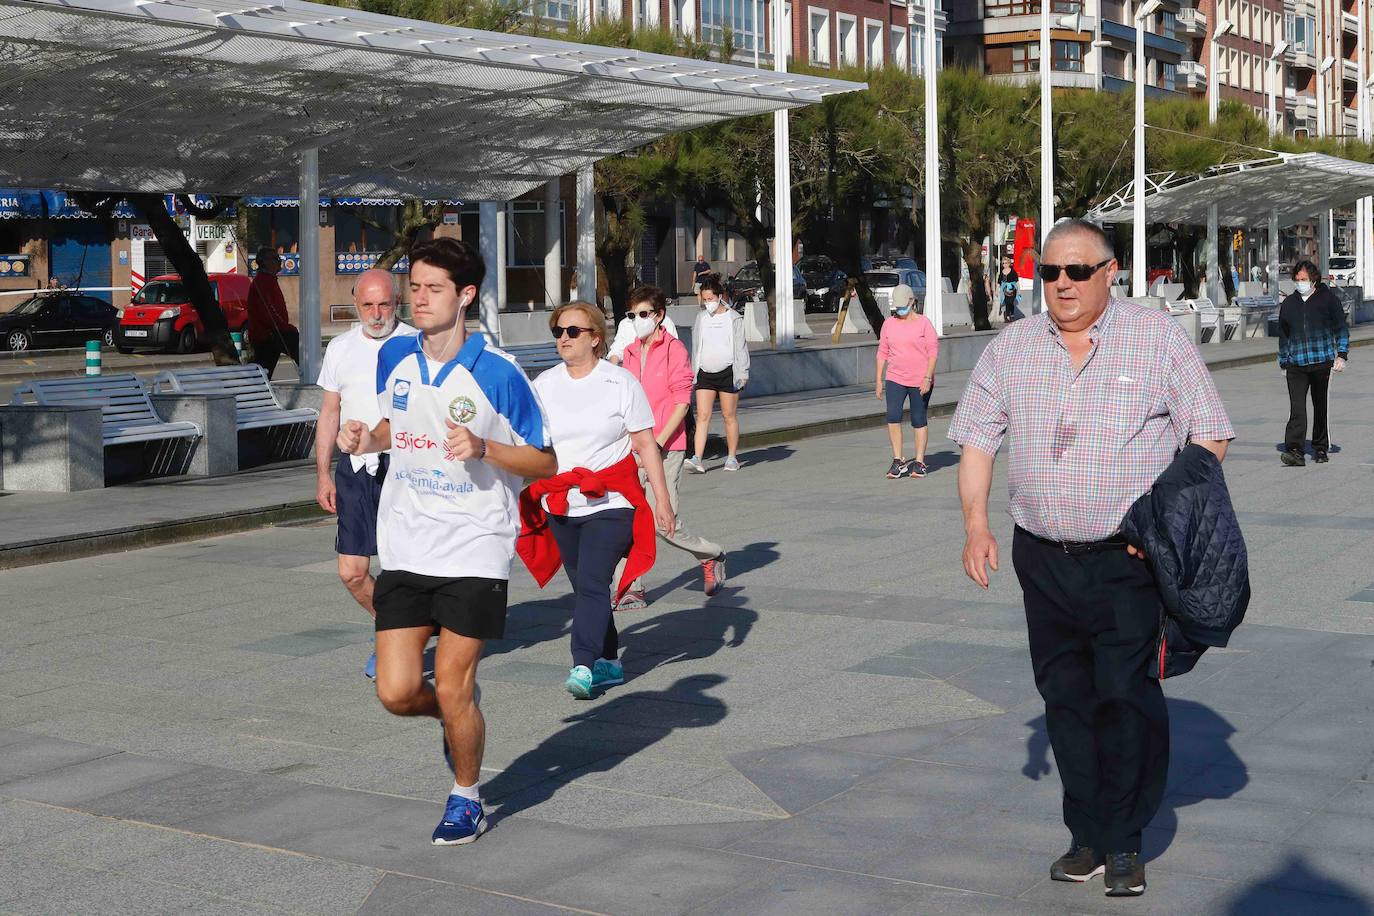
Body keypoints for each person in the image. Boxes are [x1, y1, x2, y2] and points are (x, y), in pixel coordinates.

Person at [949, 218, 1234, 898]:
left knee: (1125, 696)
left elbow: (1211, 434)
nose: (1063, 285)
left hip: (1126, 557)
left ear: (1111, 271)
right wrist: (974, 526)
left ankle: (1126, 838)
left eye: (1078, 271)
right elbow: (977, 440)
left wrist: (1161, 520)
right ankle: (1085, 835)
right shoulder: (1013, 347)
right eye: (1050, 273)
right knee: (1066, 699)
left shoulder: (1156, 337)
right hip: (1041, 558)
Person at [336, 238, 555, 847]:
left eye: (433, 289)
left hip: (475, 544)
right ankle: (462, 717)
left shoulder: (499, 373)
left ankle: (467, 798)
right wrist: (363, 438)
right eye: (416, 288)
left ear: (465, 295)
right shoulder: (395, 359)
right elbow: (394, 428)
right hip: (405, 542)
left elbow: (544, 460)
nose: (420, 299)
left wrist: (485, 448)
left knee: (453, 682)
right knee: (398, 692)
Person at [521, 301, 676, 698]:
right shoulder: (544, 384)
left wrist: (662, 501)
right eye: (558, 332)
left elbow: (644, 443)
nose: (563, 339)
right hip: (562, 504)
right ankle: (610, 660)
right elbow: (530, 445)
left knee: (592, 580)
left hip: (611, 502)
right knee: (586, 589)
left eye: (573, 332)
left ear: (595, 338)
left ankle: (583, 664)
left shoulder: (620, 382)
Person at [314, 269, 418, 679]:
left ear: (398, 302)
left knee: (400, 568)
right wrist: (323, 474)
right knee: (352, 572)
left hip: (405, 467)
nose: (377, 314)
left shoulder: (415, 345)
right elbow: (329, 412)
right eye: (367, 305)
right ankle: (397, 631)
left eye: (385, 304)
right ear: (355, 305)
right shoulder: (340, 348)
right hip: (355, 469)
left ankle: (392, 643)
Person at [620, 285, 728, 609]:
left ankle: (710, 554)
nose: (637, 320)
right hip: (634, 448)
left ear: (659, 315)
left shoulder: (674, 350)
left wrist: (657, 441)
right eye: (632, 315)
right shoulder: (629, 353)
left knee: (663, 523)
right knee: (628, 519)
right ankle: (631, 586)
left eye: (643, 314)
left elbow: (682, 403)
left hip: (666, 446)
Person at [1278, 259, 1348, 466]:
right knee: (1297, 409)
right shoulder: (1289, 303)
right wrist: (1284, 360)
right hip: (1296, 364)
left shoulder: (1328, 300)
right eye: (1297, 280)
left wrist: (1341, 354)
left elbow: (1341, 328)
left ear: (1314, 279)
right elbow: (1283, 334)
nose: (1300, 283)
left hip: (1321, 361)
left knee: (1320, 406)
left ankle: (1320, 447)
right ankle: (1294, 449)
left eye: (1304, 279)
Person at [875, 284, 938, 480]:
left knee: (918, 419)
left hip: (920, 379)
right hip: (895, 377)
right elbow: (882, 352)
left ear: (912, 302)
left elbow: (933, 353)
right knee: (893, 416)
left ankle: (919, 462)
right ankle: (898, 460)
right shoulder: (889, 324)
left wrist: (927, 377)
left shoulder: (924, 324)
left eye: (904, 305)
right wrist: (878, 380)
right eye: (898, 307)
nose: (900, 310)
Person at [687, 275, 749, 473]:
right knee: (703, 415)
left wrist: (743, 373)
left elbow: (741, 347)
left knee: (728, 415)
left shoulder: (733, 318)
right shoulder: (701, 318)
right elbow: (696, 346)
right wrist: (693, 372)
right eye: (704, 300)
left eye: (710, 299)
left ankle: (731, 458)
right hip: (705, 373)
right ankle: (697, 457)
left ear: (719, 296)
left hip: (728, 373)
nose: (707, 304)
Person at [247, 247, 300, 379]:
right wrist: (284, 327)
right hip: (268, 334)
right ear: (265, 262)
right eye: (276, 259)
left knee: (263, 373)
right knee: (300, 351)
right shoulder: (263, 282)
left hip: (269, 333)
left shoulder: (268, 280)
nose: (279, 261)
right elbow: (268, 310)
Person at [607, 307, 677, 365]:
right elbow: (616, 350)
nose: (638, 319)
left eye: (643, 314)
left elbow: (674, 353)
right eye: (632, 315)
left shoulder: (666, 322)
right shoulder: (625, 323)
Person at [993, 255, 1020, 323]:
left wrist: (1019, 291)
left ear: (1009, 263)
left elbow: (1017, 281)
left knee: (1011, 302)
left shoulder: (1013, 272)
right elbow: (999, 282)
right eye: (1003, 263)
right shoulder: (1001, 273)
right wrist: (997, 290)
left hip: (1012, 289)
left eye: (1006, 263)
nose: (1004, 264)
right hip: (1005, 289)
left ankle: (1012, 315)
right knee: (1007, 302)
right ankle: (1008, 316)